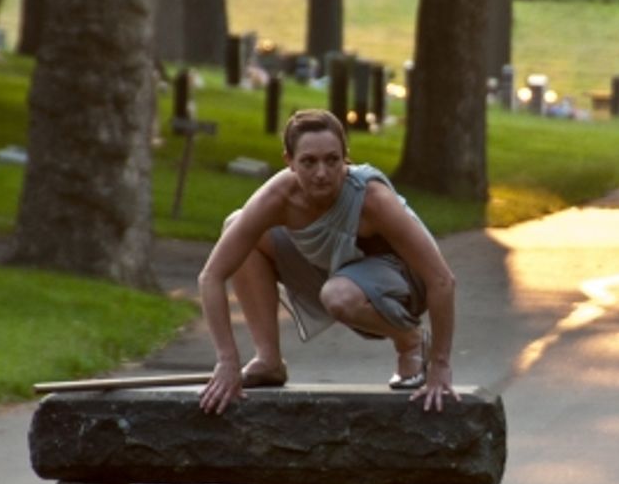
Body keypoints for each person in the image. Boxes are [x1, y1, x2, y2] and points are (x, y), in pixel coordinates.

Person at [197, 109, 459, 415]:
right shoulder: (277, 196)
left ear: (346, 159)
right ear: (289, 162)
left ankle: (410, 341)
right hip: (336, 268)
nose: (321, 172)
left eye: (332, 160)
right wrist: (227, 362)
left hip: (400, 283)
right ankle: (269, 360)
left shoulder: (372, 199)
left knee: (338, 296)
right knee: (236, 225)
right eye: (309, 162)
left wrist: (440, 365)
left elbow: (442, 280)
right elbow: (211, 277)